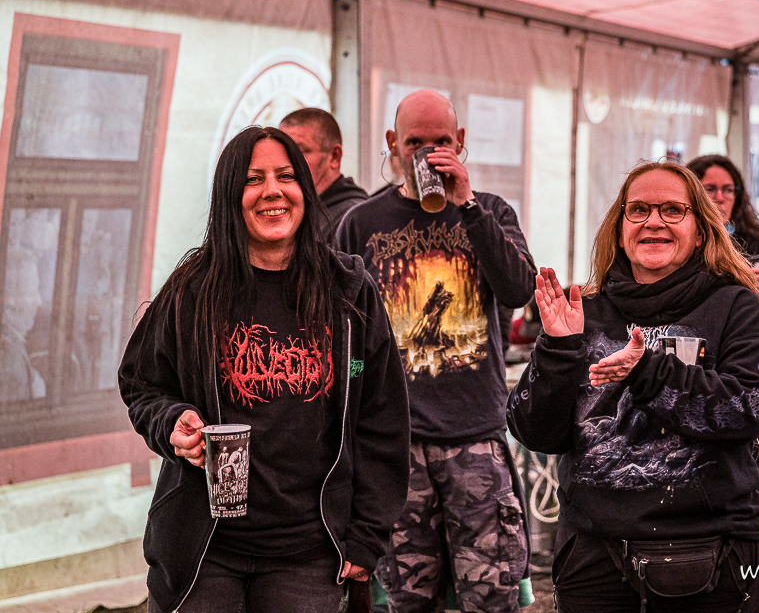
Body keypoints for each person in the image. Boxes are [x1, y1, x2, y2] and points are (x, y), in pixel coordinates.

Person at [118, 126, 410, 613]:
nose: (272, 191)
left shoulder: (349, 293)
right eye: (254, 179)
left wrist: (366, 536)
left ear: (305, 190)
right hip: (203, 553)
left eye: (286, 176)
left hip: (307, 556)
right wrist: (172, 422)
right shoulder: (192, 290)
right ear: (229, 196)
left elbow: (383, 422)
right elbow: (142, 384)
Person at [507, 161, 759, 612]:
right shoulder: (584, 312)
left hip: (708, 556)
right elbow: (536, 433)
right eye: (639, 210)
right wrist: (557, 350)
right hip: (594, 560)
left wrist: (646, 370)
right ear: (619, 230)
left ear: (700, 231)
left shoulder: (735, 306)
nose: (653, 221)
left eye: (673, 210)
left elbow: (745, 410)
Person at [337, 89, 536, 613]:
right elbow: (341, 328)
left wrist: (466, 205)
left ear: (461, 141)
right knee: (408, 601)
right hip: (397, 446)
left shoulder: (490, 211)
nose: (428, 153)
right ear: (392, 144)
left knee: (491, 597)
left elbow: (519, 290)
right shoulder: (360, 222)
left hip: (475, 438)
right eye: (415, 143)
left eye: (442, 141)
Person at [687, 155, 759, 300]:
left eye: (728, 190)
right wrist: (734, 283)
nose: (720, 198)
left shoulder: (755, 245)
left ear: (737, 196)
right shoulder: (680, 242)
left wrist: (755, 294)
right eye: (710, 189)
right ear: (690, 194)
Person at [280, 107, 368, 238]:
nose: (286, 163)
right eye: (282, 152)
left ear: (334, 156)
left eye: (300, 152)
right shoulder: (297, 211)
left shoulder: (355, 219)